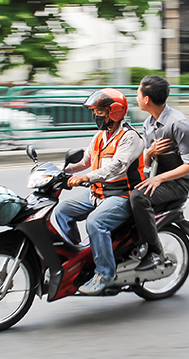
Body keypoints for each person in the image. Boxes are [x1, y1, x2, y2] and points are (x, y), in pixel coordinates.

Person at [52, 88, 145, 295]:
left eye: (100, 111)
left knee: (95, 222)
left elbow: (117, 167)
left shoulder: (130, 138)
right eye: (94, 112)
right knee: (62, 211)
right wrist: (57, 170)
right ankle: (80, 259)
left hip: (121, 195)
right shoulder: (100, 137)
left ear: (115, 112)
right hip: (97, 193)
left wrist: (86, 178)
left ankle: (105, 273)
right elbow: (84, 161)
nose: (96, 116)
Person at [130, 75, 189, 271]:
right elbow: (147, 164)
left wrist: (159, 178)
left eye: (137, 93)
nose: (136, 97)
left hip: (177, 184)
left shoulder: (179, 124)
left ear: (147, 99)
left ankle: (155, 252)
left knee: (138, 197)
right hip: (158, 180)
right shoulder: (148, 124)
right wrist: (149, 153)